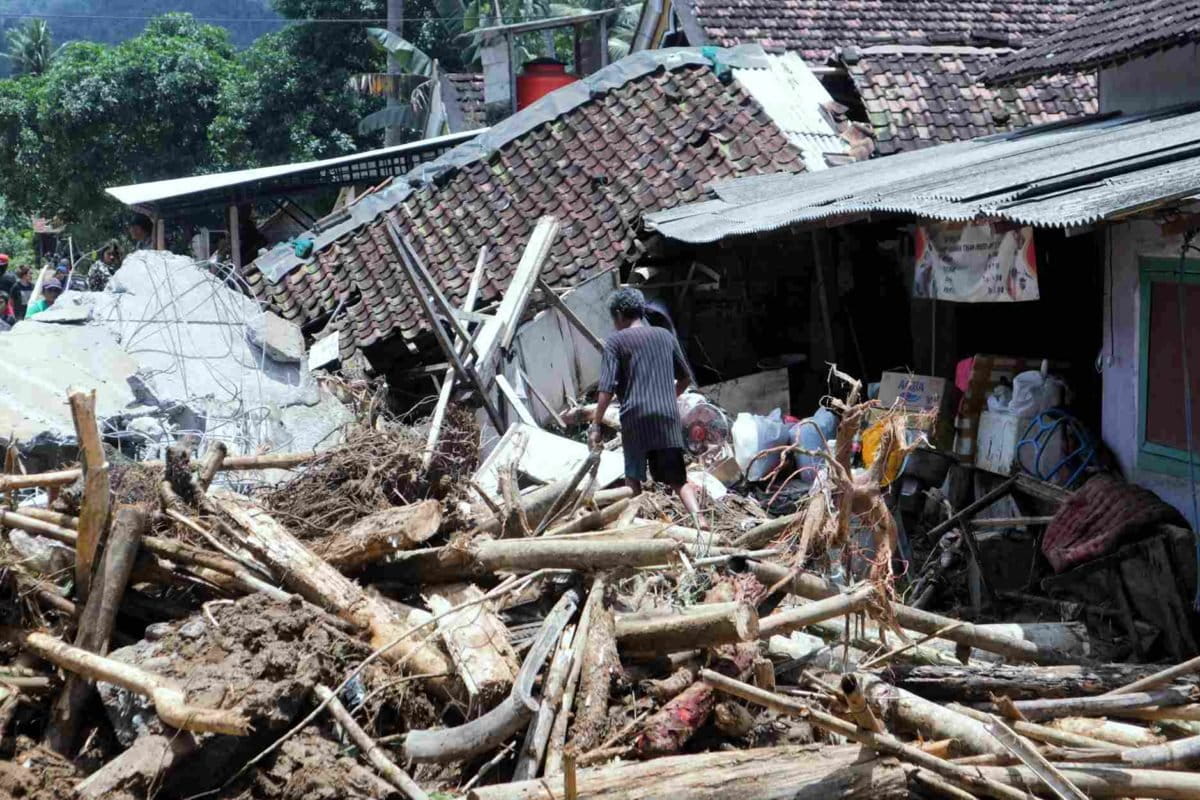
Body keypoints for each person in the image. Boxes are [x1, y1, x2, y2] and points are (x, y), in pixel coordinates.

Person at [590, 287, 706, 528]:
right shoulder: (665, 336)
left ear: (620, 314)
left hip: (635, 416)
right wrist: (666, 397)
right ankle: (699, 518)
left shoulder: (615, 342)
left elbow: (606, 389)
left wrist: (596, 424)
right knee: (678, 479)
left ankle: (636, 524)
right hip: (667, 416)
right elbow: (685, 378)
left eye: (614, 319)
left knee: (633, 476)